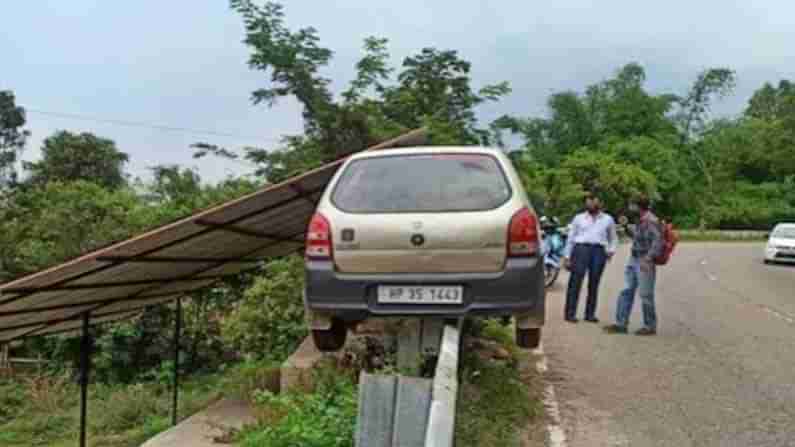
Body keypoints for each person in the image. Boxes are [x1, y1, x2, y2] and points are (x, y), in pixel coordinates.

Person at [604, 194, 664, 336]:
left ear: (639, 206)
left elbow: (658, 242)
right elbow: (638, 237)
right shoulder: (640, 220)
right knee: (626, 290)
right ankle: (621, 324)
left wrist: (648, 259)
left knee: (645, 294)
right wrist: (626, 228)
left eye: (632, 205)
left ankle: (650, 326)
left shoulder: (652, 220)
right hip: (634, 258)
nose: (630, 208)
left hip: (644, 260)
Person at [562, 192, 618, 323]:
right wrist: (567, 256)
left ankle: (590, 314)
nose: (591, 203)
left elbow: (613, 238)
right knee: (575, 282)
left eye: (594, 200)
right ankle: (570, 314)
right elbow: (570, 238)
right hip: (580, 249)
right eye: (588, 201)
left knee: (594, 283)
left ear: (600, 203)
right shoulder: (578, 218)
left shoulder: (607, 219)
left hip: (599, 251)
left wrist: (610, 251)